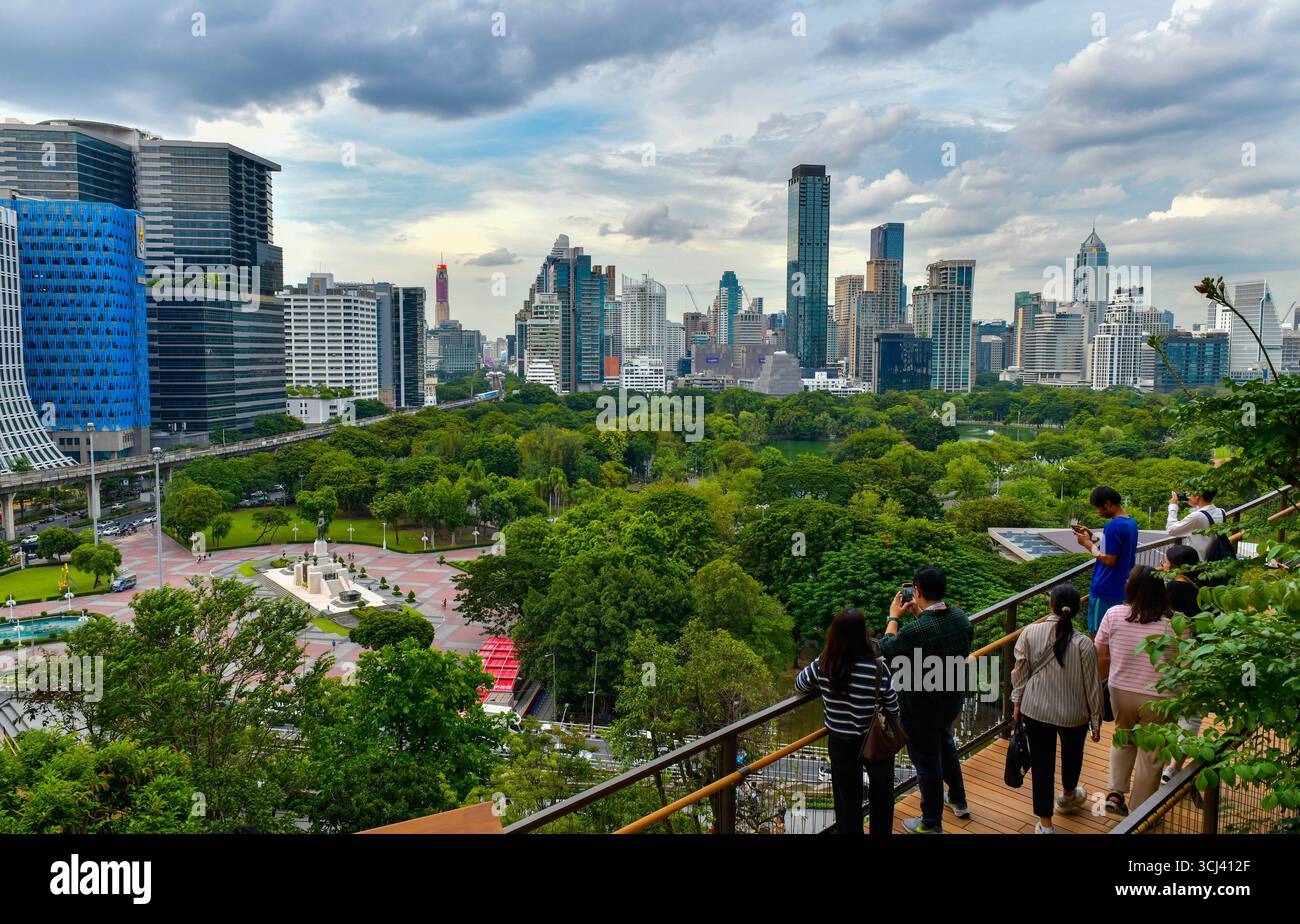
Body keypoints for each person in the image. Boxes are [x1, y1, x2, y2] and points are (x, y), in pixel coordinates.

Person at [881, 565, 974, 833]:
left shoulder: (916, 631)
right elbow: (940, 635)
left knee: (927, 762)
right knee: (945, 745)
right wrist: (918, 614)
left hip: (921, 709)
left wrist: (894, 617)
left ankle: (931, 823)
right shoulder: (959, 617)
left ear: (917, 590)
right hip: (950, 700)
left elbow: (888, 650)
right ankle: (958, 798)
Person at [795, 607, 899, 836]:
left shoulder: (825, 663)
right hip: (874, 739)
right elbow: (892, 704)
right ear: (862, 634)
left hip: (840, 742)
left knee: (846, 799)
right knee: (882, 794)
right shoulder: (876, 666)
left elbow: (800, 684)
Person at [1010, 583, 1104, 833]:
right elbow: (1093, 687)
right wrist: (1096, 720)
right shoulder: (1084, 644)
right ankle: (1068, 796)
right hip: (1074, 715)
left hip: (1036, 709)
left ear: (1050, 605)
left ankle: (1045, 824)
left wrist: (1017, 701)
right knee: (1073, 755)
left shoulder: (1029, 633)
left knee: (1042, 765)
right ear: (1075, 610)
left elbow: (1019, 673)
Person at [1095, 565, 1180, 816]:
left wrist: (1108, 675)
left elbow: (1100, 652)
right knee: (1152, 753)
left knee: (1123, 736)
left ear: (1130, 588)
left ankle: (1115, 793)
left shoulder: (1114, 614)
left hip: (1121, 690)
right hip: (1160, 697)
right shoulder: (1176, 623)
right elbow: (1183, 665)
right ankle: (1139, 813)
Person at [1160, 544, 1203, 781]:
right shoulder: (1203, 588)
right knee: (1192, 715)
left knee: (1168, 712)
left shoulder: (1169, 590)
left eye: (1166, 561)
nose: (1163, 565)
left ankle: (1162, 762)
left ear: (1175, 566)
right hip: (1197, 657)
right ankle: (1174, 768)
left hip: (1170, 657)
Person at [1072, 486, 1139, 635]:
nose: (1098, 511)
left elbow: (1109, 559)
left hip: (1105, 588)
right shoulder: (1131, 523)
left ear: (1107, 504)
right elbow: (1114, 550)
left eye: (1098, 507)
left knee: (1098, 635)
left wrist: (1087, 544)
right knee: (1115, 634)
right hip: (1121, 587)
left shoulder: (1113, 525)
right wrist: (1092, 537)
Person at [1165, 488, 1225, 563]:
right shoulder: (1222, 512)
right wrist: (1195, 504)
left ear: (1197, 496)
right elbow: (1204, 513)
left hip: (1200, 563)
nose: (1188, 496)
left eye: (1190, 493)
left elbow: (1171, 530)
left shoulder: (1197, 517)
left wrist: (1173, 506)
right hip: (1217, 558)